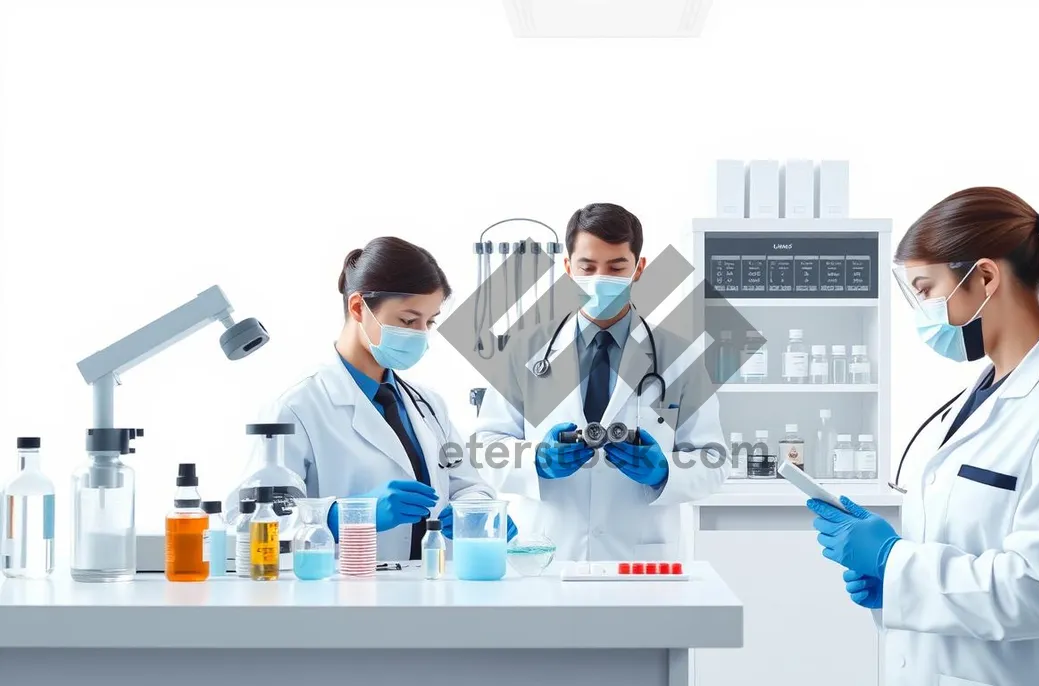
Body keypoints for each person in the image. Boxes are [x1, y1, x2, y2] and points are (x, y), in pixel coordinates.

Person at [806, 187, 1039, 686]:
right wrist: (892, 583)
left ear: (984, 276)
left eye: (927, 289)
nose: (922, 311)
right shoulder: (976, 398)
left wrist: (896, 561)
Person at [231, 237, 513, 563]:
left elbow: (465, 484)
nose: (421, 333)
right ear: (357, 307)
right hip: (340, 593)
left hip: (429, 587)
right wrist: (351, 515)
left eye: (430, 321)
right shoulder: (296, 407)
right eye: (408, 320)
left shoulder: (428, 405)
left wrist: (476, 510)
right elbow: (256, 521)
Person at [474, 203, 728, 561]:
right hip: (547, 549)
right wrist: (535, 461)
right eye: (588, 267)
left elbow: (714, 460)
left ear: (639, 269)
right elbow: (485, 444)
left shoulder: (681, 356)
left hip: (640, 555)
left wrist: (665, 471)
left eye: (616, 267)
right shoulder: (524, 350)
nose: (600, 278)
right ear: (567, 268)